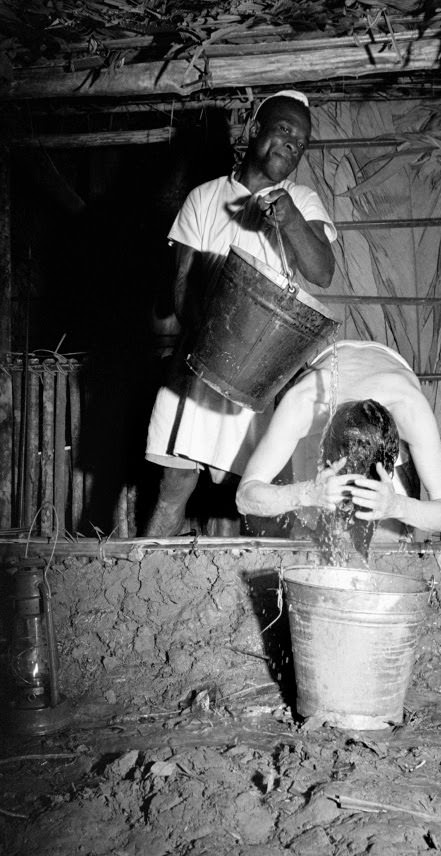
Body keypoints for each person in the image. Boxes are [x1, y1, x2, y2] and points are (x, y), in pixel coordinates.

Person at [142, 90, 337, 537]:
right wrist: (214, 349)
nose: (292, 145)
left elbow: (322, 272)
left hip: (264, 372)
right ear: (255, 130)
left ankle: (233, 593)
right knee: (175, 485)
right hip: (200, 362)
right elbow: (181, 287)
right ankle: (141, 581)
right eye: (285, 130)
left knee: (252, 492)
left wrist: (289, 221)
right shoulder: (205, 199)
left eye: (301, 142)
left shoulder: (300, 201)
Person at [236, 340, 441, 548]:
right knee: (312, 526)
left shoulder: (409, 411)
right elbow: (244, 497)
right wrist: (307, 493)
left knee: (387, 536)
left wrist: (396, 506)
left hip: (391, 382)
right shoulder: (303, 405)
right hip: (322, 403)